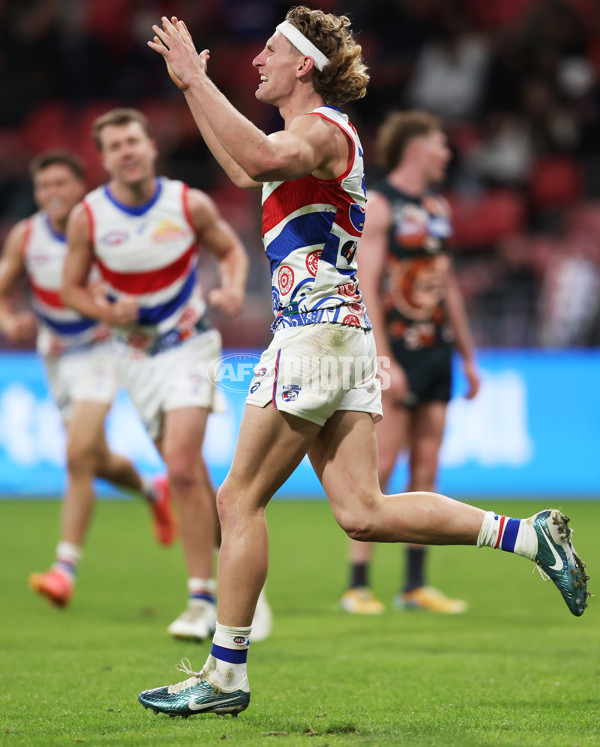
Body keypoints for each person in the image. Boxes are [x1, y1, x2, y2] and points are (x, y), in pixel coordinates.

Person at [138, 7, 589, 718]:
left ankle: (226, 675)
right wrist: (190, 88)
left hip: (314, 334)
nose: (255, 61)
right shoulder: (303, 139)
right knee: (363, 510)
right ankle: (533, 537)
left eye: (268, 52)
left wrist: (197, 74)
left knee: (238, 499)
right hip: (341, 335)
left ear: (303, 66)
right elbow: (240, 160)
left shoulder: (321, 130)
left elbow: (253, 159)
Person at [61, 109, 271, 642]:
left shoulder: (187, 203)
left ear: (151, 146)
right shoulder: (88, 217)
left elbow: (230, 250)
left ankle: (202, 600)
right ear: (103, 158)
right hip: (135, 359)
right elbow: (72, 288)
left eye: (133, 140)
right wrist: (109, 313)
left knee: (180, 466)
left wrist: (229, 287)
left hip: (192, 346)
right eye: (114, 146)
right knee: (189, 474)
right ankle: (243, 576)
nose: (126, 151)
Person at [0, 149, 176, 608]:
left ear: (80, 187)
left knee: (77, 452)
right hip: (56, 356)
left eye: (60, 184)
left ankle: (64, 568)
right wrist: (8, 320)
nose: (51, 194)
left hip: (102, 349)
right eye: (43, 187)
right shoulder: (26, 236)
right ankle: (151, 488)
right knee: (93, 457)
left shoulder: (101, 228)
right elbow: (3, 288)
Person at [340, 110, 480, 616]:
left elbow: (448, 285)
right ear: (416, 147)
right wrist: (383, 358)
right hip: (397, 349)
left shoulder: (437, 207)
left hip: (437, 350)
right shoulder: (380, 206)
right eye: (440, 144)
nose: (447, 153)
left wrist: (467, 355)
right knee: (380, 468)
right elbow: (367, 282)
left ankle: (414, 586)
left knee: (427, 467)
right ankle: (357, 584)